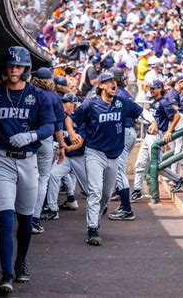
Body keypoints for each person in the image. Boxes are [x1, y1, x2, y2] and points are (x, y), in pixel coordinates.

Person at [0, 46, 56, 294]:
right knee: (5, 217)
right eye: (11, 65)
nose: (14, 69)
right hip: (1, 159)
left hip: (27, 160)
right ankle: (6, 273)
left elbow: (49, 126)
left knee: (25, 218)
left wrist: (32, 134)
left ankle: (21, 262)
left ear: (25, 70)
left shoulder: (38, 95)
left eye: (18, 66)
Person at [66, 71, 158, 246]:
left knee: (106, 194)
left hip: (113, 155)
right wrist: (71, 133)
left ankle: (96, 216)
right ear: (100, 86)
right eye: (108, 82)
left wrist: (152, 121)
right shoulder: (90, 104)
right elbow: (70, 119)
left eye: (114, 81)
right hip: (94, 152)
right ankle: (92, 228)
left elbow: (141, 112)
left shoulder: (121, 103)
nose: (113, 84)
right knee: (95, 190)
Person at [131, 80, 183, 203]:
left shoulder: (163, 102)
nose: (151, 90)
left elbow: (176, 115)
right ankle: (137, 190)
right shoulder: (154, 102)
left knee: (157, 166)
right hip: (148, 136)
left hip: (157, 136)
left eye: (154, 88)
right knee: (139, 164)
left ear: (160, 89)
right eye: (151, 88)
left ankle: (179, 179)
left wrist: (169, 131)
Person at [30, 68, 67, 229]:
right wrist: (62, 146)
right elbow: (59, 125)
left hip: (28, 139)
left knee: (26, 178)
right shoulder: (54, 96)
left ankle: (25, 216)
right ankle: (34, 219)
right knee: (42, 179)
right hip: (46, 140)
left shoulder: (28, 92)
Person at [44, 93, 88, 221]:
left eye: (67, 102)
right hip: (67, 157)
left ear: (74, 104)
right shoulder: (61, 118)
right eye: (63, 102)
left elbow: (80, 143)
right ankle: (52, 209)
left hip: (80, 157)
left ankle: (101, 204)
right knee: (53, 175)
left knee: (89, 188)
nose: (63, 104)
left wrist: (64, 148)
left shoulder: (81, 119)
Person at [107, 67, 138, 219]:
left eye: (110, 79)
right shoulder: (125, 93)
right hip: (129, 131)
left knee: (119, 171)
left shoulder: (117, 94)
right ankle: (120, 197)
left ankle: (126, 208)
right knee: (117, 170)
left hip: (124, 132)